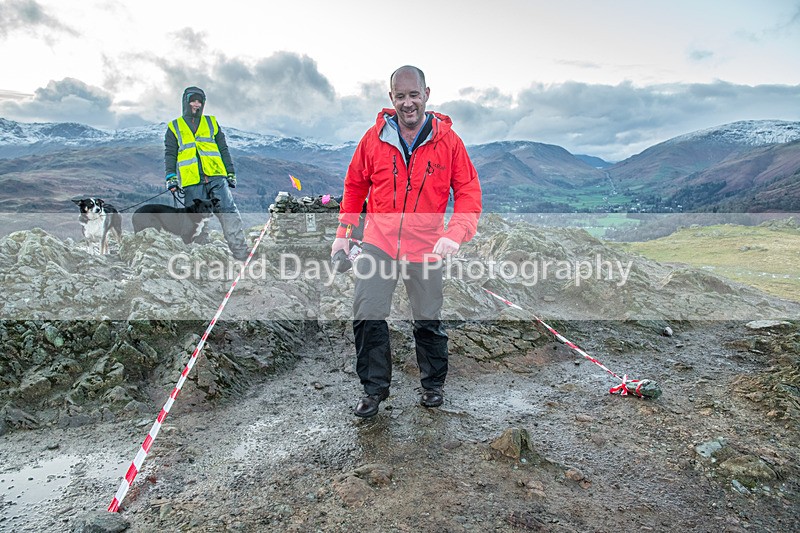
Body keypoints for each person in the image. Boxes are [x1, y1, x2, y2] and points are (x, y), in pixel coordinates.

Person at [331, 66, 482, 417]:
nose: (408, 103)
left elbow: (469, 193)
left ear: (426, 94)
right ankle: (373, 390)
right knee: (367, 312)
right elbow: (354, 188)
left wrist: (453, 235)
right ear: (391, 98)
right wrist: (343, 235)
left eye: (414, 95)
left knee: (427, 318)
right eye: (400, 96)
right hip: (378, 242)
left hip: (427, 246)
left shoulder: (449, 142)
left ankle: (433, 385)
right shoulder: (373, 139)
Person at [164, 86, 249, 261]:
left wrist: (230, 172)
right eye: (193, 100)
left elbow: (223, 148)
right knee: (196, 220)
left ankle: (241, 254)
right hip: (192, 181)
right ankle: (202, 257)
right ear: (186, 102)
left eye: (199, 101)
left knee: (228, 213)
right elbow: (170, 154)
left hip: (216, 176)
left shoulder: (211, 122)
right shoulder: (174, 127)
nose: (196, 104)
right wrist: (170, 177)